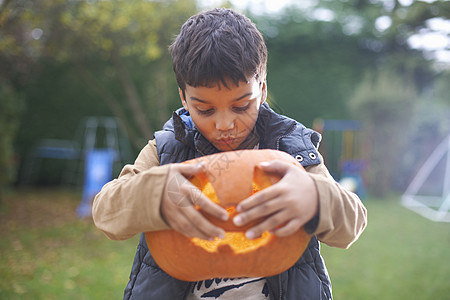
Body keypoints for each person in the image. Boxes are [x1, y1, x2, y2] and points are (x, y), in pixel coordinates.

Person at [92, 8, 367, 300]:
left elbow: (352, 223)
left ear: (261, 91)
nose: (225, 125)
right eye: (205, 110)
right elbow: (105, 212)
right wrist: (155, 194)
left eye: (240, 106)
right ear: (184, 98)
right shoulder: (167, 150)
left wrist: (314, 197)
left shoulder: (292, 149)